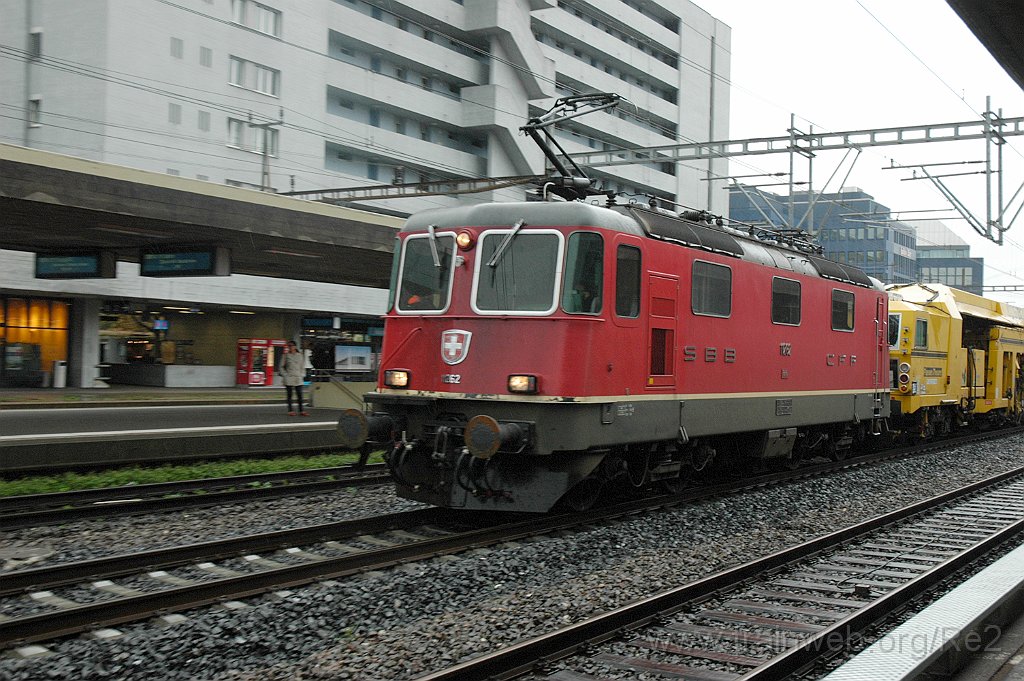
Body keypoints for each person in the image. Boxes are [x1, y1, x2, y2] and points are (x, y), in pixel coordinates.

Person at [281, 340, 308, 416]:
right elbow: (281, 366)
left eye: (291, 345)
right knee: (289, 395)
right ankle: (290, 410)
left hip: (298, 376)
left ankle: (301, 410)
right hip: (289, 376)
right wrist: (285, 374)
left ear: (295, 346)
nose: (290, 347)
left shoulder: (300, 355)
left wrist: (302, 374)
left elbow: (302, 366)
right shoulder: (285, 355)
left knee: (299, 394)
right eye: (289, 346)